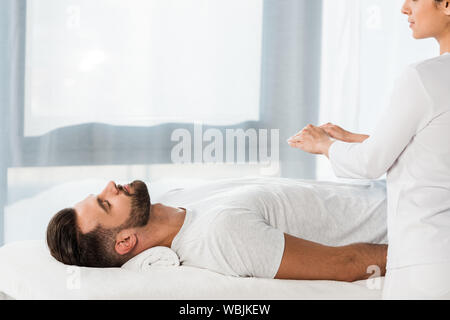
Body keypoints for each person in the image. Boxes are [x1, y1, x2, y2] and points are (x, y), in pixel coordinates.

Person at [288, 0, 450, 299]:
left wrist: (324, 144)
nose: (404, 8)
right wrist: (356, 139)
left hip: (425, 268)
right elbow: (434, 150)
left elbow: (369, 165)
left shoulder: (424, 77)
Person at [46, 177, 388, 282]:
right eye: (106, 204)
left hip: (401, 185)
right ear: (125, 241)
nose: (110, 185)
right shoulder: (220, 236)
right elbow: (345, 263)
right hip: (420, 217)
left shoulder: (179, 199)